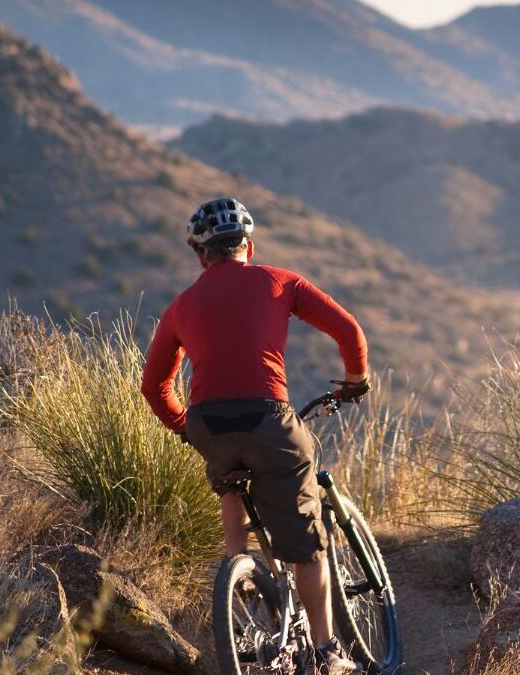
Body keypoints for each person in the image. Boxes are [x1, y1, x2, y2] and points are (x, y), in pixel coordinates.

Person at [141, 197, 370, 674]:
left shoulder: (182, 304)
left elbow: (154, 385)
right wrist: (354, 381)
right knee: (307, 544)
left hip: (208, 423)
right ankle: (327, 653)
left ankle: (236, 567)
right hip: (269, 419)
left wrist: (186, 426)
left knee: (231, 477)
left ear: (202, 256)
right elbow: (349, 331)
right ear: (249, 245)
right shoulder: (279, 281)